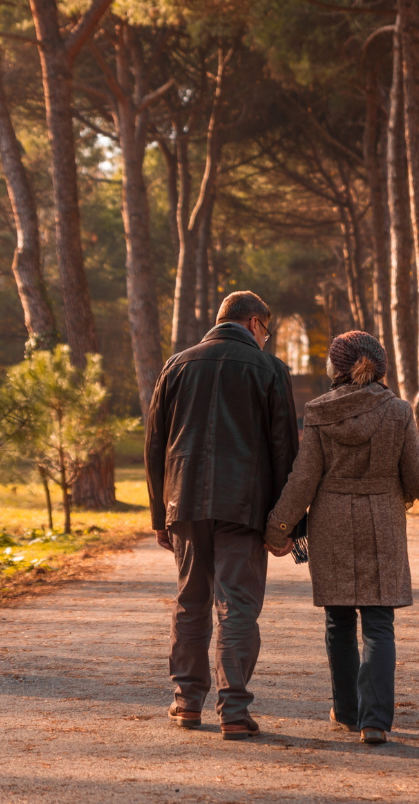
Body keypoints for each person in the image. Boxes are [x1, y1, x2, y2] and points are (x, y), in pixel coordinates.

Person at [263, 331, 419, 745]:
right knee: (379, 625)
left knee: (339, 621)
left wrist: (278, 527)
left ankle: (346, 712)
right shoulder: (398, 411)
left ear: (335, 369)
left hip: (332, 526)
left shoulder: (318, 412)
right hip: (382, 521)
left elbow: (303, 478)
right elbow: (417, 474)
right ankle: (375, 721)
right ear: (379, 367)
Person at [145, 291, 299, 740]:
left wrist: (161, 515)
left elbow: (156, 444)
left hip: (186, 504)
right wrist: (287, 525)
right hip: (245, 508)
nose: (266, 340)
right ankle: (233, 710)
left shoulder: (177, 365)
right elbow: (285, 451)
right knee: (238, 607)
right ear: (254, 323)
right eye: (266, 331)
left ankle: (186, 703)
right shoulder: (270, 371)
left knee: (191, 602)